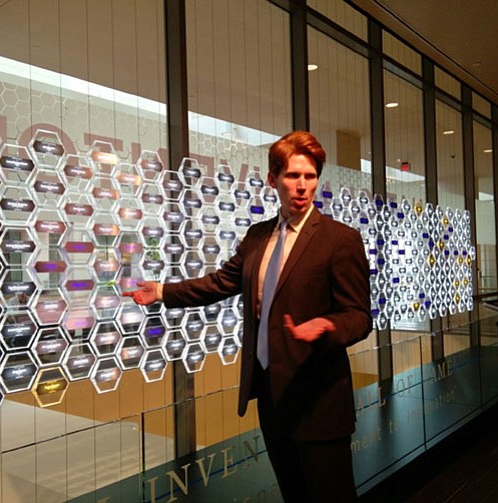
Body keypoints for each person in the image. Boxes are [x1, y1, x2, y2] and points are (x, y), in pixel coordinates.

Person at [124, 131, 372, 502]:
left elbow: (358, 316)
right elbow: (220, 282)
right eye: (292, 176)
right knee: (294, 494)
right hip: (271, 397)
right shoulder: (258, 236)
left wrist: (329, 326)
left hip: (319, 399)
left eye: (310, 176)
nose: (302, 186)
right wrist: (161, 291)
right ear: (273, 179)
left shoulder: (340, 239)